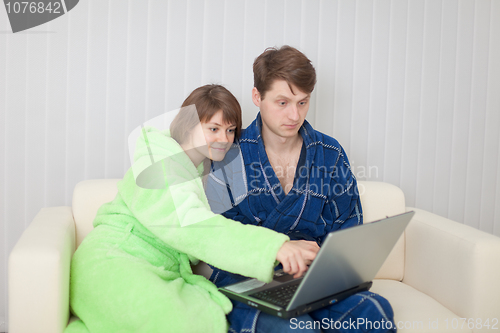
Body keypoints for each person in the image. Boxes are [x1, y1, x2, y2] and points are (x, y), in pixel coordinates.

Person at [64, 84, 319, 333]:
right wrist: (274, 246)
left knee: (201, 319)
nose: (224, 139)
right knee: (180, 323)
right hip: (113, 261)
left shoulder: (203, 172)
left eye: (230, 130)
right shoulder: (160, 165)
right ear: (188, 125)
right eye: (213, 128)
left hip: (156, 269)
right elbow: (193, 225)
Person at [206, 47, 397, 333]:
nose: (294, 115)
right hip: (245, 277)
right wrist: (276, 250)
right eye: (282, 102)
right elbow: (217, 233)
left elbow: (347, 226)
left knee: (375, 311)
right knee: (297, 329)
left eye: (302, 102)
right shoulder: (230, 153)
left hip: (312, 279)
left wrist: (325, 266)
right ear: (257, 97)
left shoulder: (330, 153)